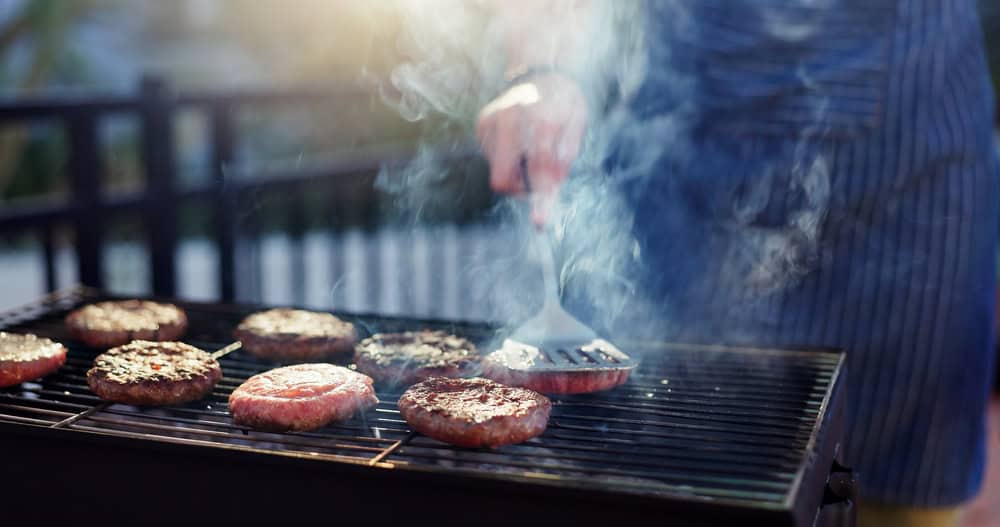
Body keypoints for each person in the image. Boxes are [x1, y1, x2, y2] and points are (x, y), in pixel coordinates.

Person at [476, 1, 999, 526]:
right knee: (616, 471)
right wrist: (542, 69)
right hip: (677, 162)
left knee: (891, 499)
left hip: (910, 164)